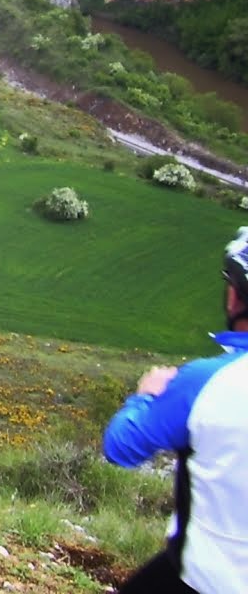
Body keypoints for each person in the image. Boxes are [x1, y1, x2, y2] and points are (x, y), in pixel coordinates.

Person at [103, 225, 248, 593]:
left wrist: (145, 395)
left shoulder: (207, 382)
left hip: (206, 578)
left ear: (235, 296)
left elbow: (121, 447)